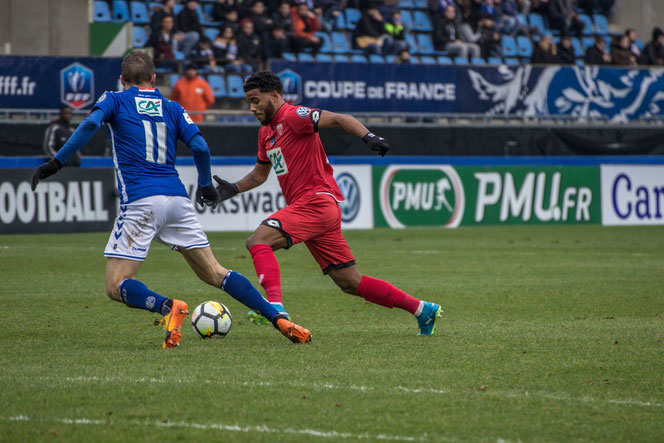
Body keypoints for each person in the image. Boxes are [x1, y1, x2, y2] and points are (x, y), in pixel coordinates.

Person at [30, 52, 311, 348]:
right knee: (215, 272)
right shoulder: (173, 107)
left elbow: (89, 126)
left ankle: (167, 307)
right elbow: (200, 147)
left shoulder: (114, 99)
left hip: (141, 201)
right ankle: (279, 319)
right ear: (154, 79)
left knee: (115, 285)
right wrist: (205, 186)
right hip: (177, 200)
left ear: (122, 79)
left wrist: (56, 162)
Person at [212, 71, 443, 336]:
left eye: (256, 100)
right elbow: (259, 175)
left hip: (316, 202)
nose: (252, 108)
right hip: (313, 210)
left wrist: (369, 137)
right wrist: (231, 189)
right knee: (349, 281)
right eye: (248, 102)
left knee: (258, 241)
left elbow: (340, 118)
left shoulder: (293, 116)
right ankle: (423, 310)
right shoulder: (266, 133)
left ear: (274, 96)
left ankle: (274, 305)